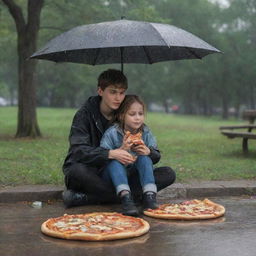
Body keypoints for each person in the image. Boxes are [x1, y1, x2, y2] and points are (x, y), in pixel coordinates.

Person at [62, 69, 176, 208]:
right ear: (100, 91)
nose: (118, 98)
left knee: (168, 174)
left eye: (122, 93)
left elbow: (148, 150)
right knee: (76, 171)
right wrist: (110, 154)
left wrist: (149, 152)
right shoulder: (84, 115)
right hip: (94, 173)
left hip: (124, 172)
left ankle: (90, 198)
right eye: (113, 92)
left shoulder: (126, 113)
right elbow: (78, 151)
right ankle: (127, 196)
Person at [100, 95, 161, 216]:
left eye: (140, 114)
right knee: (115, 162)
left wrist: (149, 152)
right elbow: (101, 157)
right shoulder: (112, 133)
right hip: (113, 176)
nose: (137, 118)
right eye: (132, 114)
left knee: (145, 159)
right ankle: (126, 198)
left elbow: (157, 155)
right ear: (122, 115)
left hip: (134, 175)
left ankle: (149, 197)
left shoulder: (146, 132)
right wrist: (121, 150)